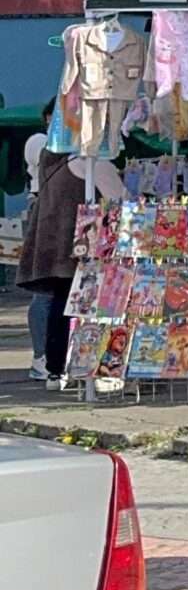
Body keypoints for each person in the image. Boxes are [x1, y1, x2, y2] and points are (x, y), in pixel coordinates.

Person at [19, 101, 80, 388]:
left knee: (55, 295)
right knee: (48, 295)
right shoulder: (41, 144)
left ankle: (51, 361)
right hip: (51, 221)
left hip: (55, 223)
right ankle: (43, 358)